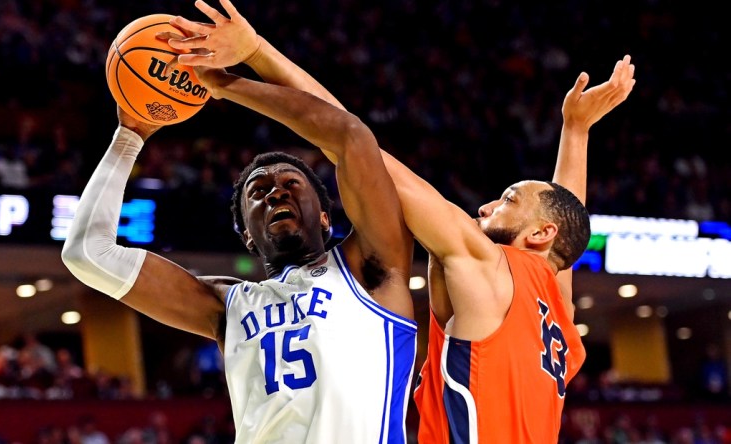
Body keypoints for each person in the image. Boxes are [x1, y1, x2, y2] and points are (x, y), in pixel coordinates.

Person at [162, 1, 635, 442]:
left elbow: (353, 143)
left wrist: (256, 55)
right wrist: (576, 130)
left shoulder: (486, 263)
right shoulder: (559, 318)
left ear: (538, 233)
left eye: (508, 200)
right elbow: (566, 230)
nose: (486, 208)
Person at [61, 20, 417, 444]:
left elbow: (352, 136)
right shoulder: (228, 306)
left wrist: (225, 84)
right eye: (259, 191)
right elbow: (87, 252)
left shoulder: (371, 270)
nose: (274, 193)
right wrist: (129, 137)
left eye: (291, 184)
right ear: (247, 235)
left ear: (325, 216)